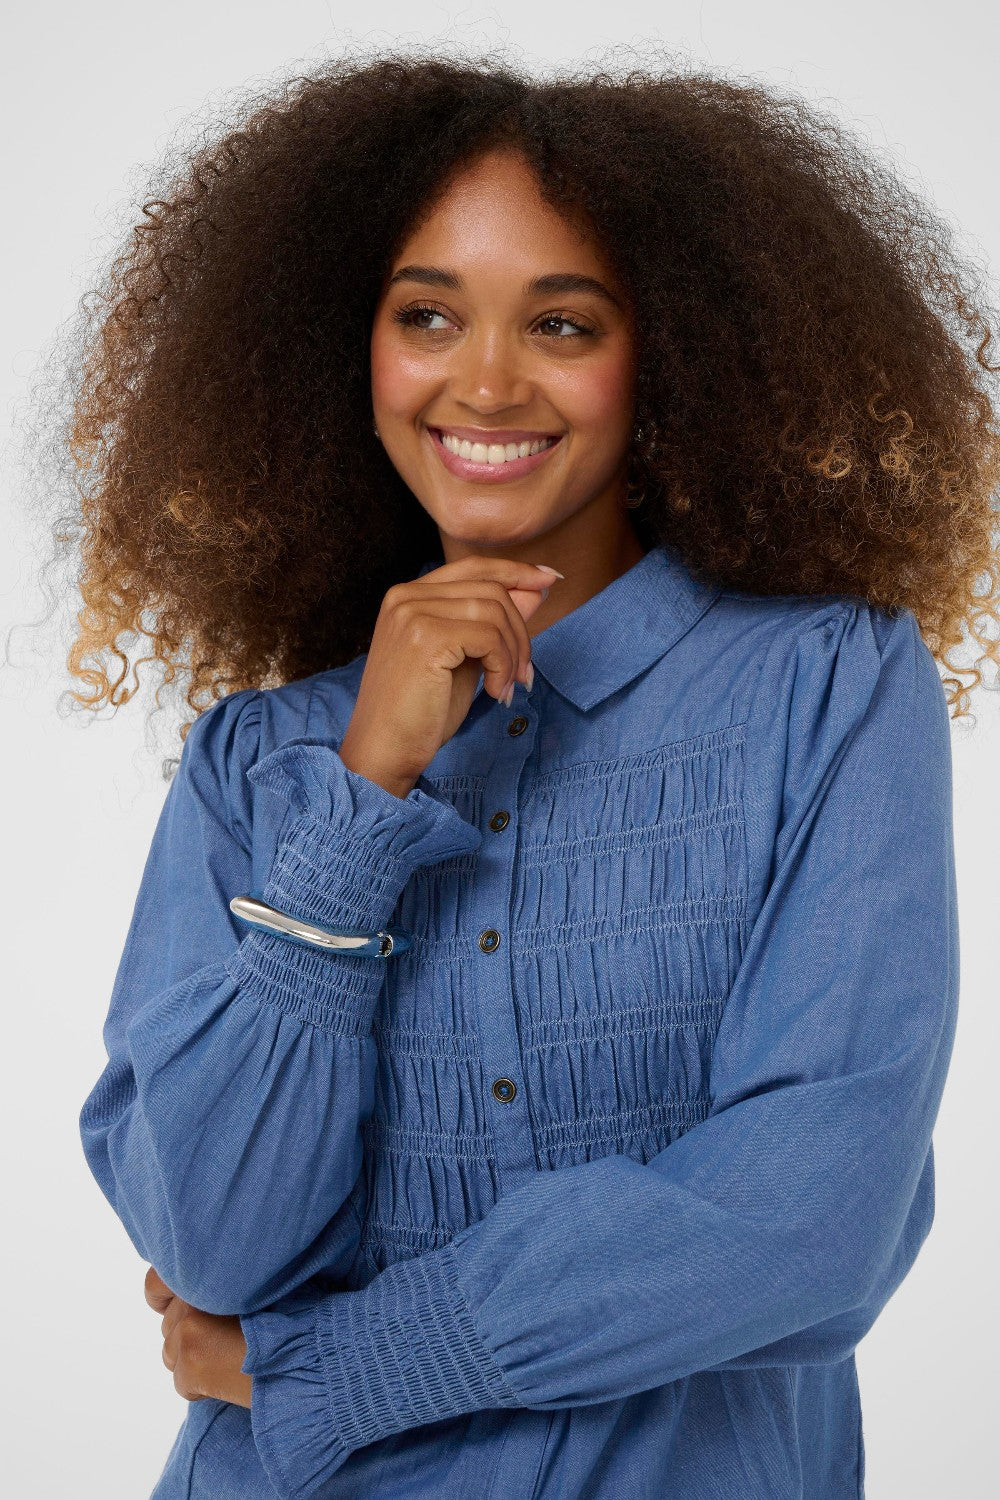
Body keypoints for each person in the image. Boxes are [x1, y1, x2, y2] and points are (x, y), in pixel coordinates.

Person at [65, 47, 998, 1500]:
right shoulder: (263, 759)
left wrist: (336, 1367)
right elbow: (214, 1244)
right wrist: (366, 792)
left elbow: (815, 1210)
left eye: (562, 322)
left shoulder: (824, 686)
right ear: (346, 350)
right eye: (426, 315)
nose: (486, 380)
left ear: (670, 353)